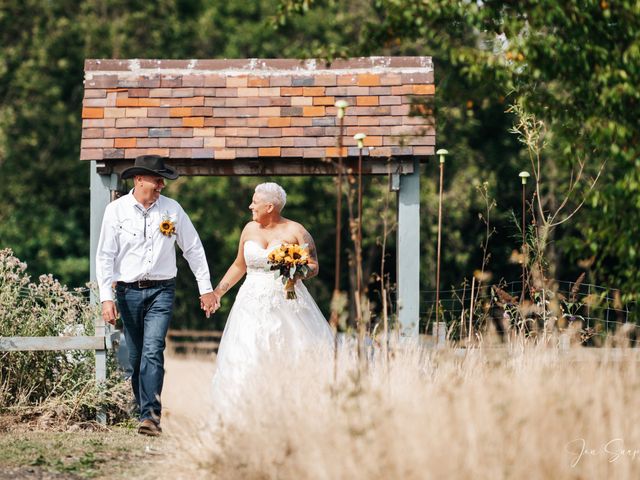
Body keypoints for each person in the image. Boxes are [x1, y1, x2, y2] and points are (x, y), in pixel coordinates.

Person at [96, 155, 219, 436]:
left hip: (162, 290)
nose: (162, 184)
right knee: (137, 357)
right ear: (140, 180)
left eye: (163, 179)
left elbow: (194, 249)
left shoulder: (173, 210)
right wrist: (106, 297)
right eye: (158, 179)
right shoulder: (116, 211)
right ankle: (142, 409)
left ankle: (151, 416)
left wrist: (206, 288)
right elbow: (105, 256)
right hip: (127, 291)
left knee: (153, 350)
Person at [209, 182, 334, 417]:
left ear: (269, 206)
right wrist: (218, 293)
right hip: (250, 304)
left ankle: (289, 413)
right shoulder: (249, 229)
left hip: (286, 301)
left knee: (289, 352)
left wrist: (297, 268)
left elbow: (314, 266)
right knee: (247, 354)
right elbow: (239, 265)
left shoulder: (296, 231)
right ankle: (242, 414)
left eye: (254, 202)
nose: (250, 206)